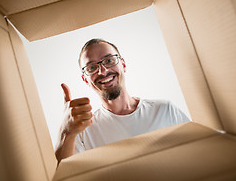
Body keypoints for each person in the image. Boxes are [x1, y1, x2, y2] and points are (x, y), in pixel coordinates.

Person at [55, 39, 190, 163]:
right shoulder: (82, 131)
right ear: (86, 80)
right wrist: (66, 132)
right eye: (91, 68)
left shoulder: (164, 110)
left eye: (109, 61)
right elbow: (65, 171)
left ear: (123, 64)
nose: (102, 71)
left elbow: (196, 155)